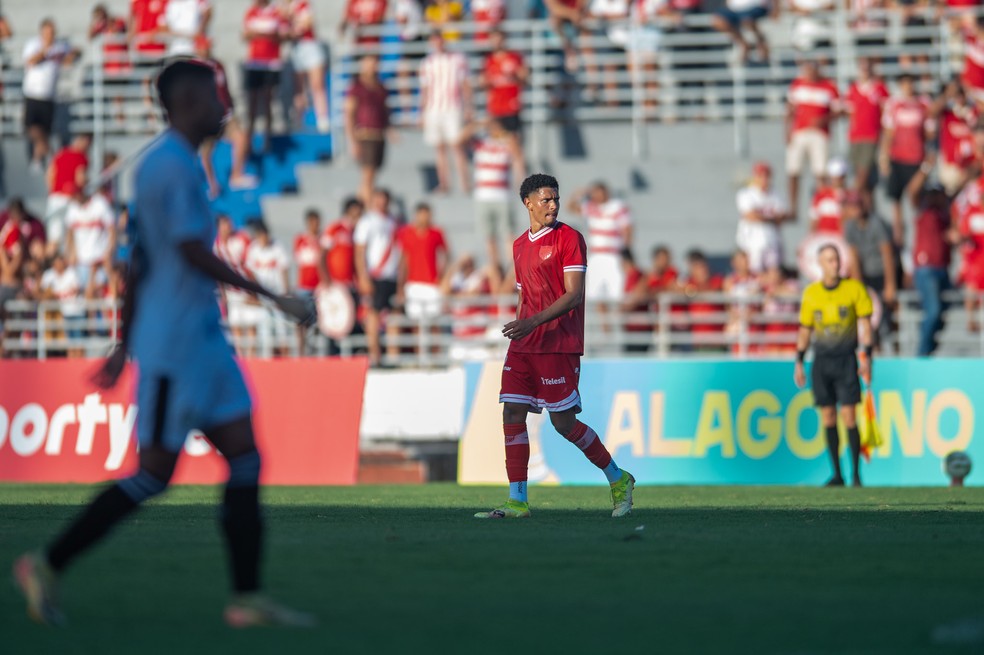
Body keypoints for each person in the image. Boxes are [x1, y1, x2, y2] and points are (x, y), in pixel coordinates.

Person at [12, 60, 315, 627]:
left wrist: (121, 343)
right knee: (153, 474)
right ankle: (45, 564)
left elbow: (139, 264)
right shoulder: (167, 167)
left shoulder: (182, 165)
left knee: (245, 457)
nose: (223, 107)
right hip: (174, 348)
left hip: (204, 342)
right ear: (185, 103)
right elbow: (186, 253)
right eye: (213, 97)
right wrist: (274, 297)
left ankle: (246, 599)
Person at [474, 173, 635, 520]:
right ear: (528, 203)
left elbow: (574, 295)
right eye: (546, 199)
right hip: (524, 343)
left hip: (558, 343)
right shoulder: (519, 245)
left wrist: (532, 322)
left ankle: (618, 478)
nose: (553, 205)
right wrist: (522, 326)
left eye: (556, 199)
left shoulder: (570, 238)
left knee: (563, 424)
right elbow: (524, 296)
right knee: (512, 412)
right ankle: (517, 501)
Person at [794, 244, 874, 487]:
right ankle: (837, 474)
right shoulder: (812, 294)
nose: (834, 264)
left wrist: (867, 357)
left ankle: (856, 474)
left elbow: (866, 326)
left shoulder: (854, 289)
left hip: (846, 359)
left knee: (849, 416)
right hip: (822, 361)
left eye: (836, 259)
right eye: (829, 260)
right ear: (820, 264)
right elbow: (805, 330)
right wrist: (799, 361)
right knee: (828, 416)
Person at [908, 154, 957, 356]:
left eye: (939, 194)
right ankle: (922, 355)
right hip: (926, 269)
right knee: (934, 310)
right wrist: (926, 168)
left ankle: (928, 349)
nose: (936, 198)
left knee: (943, 313)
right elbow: (912, 191)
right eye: (933, 194)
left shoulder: (946, 215)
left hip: (942, 270)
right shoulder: (923, 211)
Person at [197, 37, 258, 194]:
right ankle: (212, 184)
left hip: (224, 113)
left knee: (241, 137)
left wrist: (230, 106)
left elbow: (224, 88)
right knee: (206, 152)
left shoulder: (217, 65)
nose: (206, 50)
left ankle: (236, 175)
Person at [567, 181, 633, 324]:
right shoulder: (591, 207)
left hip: (614, 255)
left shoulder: (617, 207)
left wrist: (626, 252)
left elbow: (627, 229)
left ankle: (617, 324)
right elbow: (570, 207)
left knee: (617, 293)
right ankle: (605, 327)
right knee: (597, 295)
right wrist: (579, 193)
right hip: (596, 256)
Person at [879, 73, 931, 247]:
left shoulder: (923, 103)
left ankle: (918, 232)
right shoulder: (894, 104)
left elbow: (929, 133)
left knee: (915, 196)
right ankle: (898, 236)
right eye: (904, 83)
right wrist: (884, 157)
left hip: (916, 158)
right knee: (896, 199)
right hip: (898, 157)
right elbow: (888, 132)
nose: (908, 86)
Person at [22, 18, 79, 171]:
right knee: (32, 128)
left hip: (49, 96)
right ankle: (50, 154)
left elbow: (73, 55)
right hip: (33, 94)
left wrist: (70, 55)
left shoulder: (59, 46)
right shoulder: (33, 45)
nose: (50, 35)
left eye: (52, 32)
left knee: (44, 131)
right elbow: (30, 61)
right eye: (47, 32)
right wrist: (45, 50)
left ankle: (38, 159)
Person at [419, 31, 472, 194]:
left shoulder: (457, 59)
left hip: (453, 108)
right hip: (434, 109)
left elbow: (465, 85)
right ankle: (444, 184)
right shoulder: (427, 63)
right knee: (439, 148)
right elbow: (425, 90)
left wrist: (468, 107)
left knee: (457, 146)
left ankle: (464, 183)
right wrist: (422, 112)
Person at [786, 61, 841, 218]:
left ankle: (821, 204)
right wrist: (787, 130)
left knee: (820, 171)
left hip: (819, 133)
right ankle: (793, 208)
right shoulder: (797, 84)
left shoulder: (829, 86)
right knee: (793, 170)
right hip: (799, 132)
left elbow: (838, 110)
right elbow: (789, 109)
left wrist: (824, 119)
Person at [354, 188, 402, 367]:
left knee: (394, 314)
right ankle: (375, 355)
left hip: (392, 275)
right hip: (375, 274)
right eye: (379, 199)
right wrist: (363, 276)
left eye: (385, 199)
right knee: (373, 314)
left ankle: (393, 356)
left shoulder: (393, 221)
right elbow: (359, 251)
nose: (382, 203)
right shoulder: (367, 221)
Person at [842, 191, 896, 348]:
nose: (855, 209)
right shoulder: (849, 226)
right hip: (866, 276)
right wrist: (858, 286)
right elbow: (854, 256)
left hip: (882, 273)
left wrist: (890, 285)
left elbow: (887, 254)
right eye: (852, 206)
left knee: (887, 314)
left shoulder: (876, 223)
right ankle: (873, 347)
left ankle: (893, 348)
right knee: (870, 315)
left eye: (857, 205)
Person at [472, 118, 526, 269]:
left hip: (503, 195)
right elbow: (459, 139)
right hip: (483, 196)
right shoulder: (480, 143)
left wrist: (506, 136)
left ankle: (511, 268)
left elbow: (518, 156)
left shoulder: (506, 143)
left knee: (508, 233)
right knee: (489, 236)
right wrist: (479, 124)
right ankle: (495, 267)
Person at [345, 55, 392, 205]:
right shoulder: (357, 87)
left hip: (378, 135)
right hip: (365, 135)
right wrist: (352, 141)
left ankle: (363, 204)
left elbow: (384, 111)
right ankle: (364, 205)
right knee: (367, 174)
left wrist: (389, 129)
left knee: (373, 174)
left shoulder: (380, 87)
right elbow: (349, 114)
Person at [243, 0, 288, 152]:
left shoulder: (277, 12)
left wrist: (259, 34)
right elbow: (246, 35)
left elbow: (282, 36)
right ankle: (249, 140)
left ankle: (267, 139)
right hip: (254, 63)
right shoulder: (251, 12)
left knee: (268, 101)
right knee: (252, 103)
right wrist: (267, 34)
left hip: (272, 63)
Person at [845, 58, 889, 208]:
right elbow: (850, 112)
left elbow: (886, 113)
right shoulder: (853, 89)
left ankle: (850, 203)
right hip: (855, 138)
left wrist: (884, 139)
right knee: (863, 179)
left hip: (871, 137)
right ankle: (867, 209)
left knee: (862, 177)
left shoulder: (879, 88)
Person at [735, 161, 791, 275]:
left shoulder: (776, 194)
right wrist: (771, 217)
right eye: (760, 175)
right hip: (751, 240)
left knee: (773, 271)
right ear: (755, 176)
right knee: (753, 272)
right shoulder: (746, 193)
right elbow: (750, 216)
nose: (764, 179)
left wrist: (764, 217)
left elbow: (784, 216)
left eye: (766, 175)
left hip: (772, 239)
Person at [398, 202, 448, 325]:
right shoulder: (407, 234)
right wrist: (400, 286)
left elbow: (445, 255)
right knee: (416, 322)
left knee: (434, 322)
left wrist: (442, 275)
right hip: (413, 283)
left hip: (432, 283)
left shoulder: (436, 233)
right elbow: (404, 260)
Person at [64, 174, 117, 288]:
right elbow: (70, 233)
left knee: (102, 291)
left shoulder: (99, 203)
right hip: (82, 261)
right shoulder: (72, 208)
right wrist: (71, 252)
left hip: (100, 259)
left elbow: (112, 229)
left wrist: (109, 251)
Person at [284, 0, 329, 133]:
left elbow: (307, 23)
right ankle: (299, 120)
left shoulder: (303, 4)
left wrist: (291, 20)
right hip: (297, 48)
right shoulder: (284, 8)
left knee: (317, 85)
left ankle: (322, 119)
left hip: (310, 46)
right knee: (299, 88)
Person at [45, 132, 92, 252]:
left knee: (54, 237)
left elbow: (50, 175)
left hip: (54, 198)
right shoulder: (81, 157)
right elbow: (80, 179)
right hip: (70, 199)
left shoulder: (60, 153)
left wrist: (55, 190)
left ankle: (50, 261)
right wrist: (88, 181)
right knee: (69, 237)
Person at [480, 28, 528, 137]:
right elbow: (484, 83)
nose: (496, 42)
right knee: (498, 141)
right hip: (495, 107)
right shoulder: (489, 60)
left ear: (504, 39)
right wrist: (485, 82)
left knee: (513, 139)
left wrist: (515, 77)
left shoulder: (514, 57)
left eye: (498, 38)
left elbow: (524, 78)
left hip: (511, 106)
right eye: (493, 39)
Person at [293, 209, 328, 354]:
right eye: (312, 221)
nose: (315, 224)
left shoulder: (324, 240)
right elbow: (303, 259)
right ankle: (301, 351)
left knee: (321, 320)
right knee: (301, 320)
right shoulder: (301, 240)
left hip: (320, 287)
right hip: (305, 286)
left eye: (317, 221)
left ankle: (319, 350)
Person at [809, 158, 849, 234]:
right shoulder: (820, 195)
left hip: (840, 236)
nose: (837, 180)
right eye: (835, 177)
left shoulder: (850, 196)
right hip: (822, 235)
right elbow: (814, 220)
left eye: (840, 177)